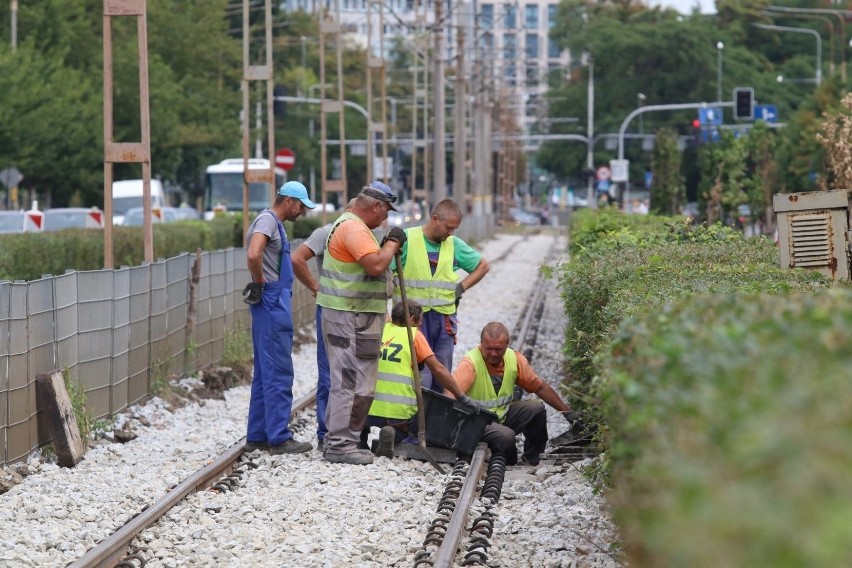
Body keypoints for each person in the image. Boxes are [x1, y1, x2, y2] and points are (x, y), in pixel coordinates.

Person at [316, 181, 406, 465]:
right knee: (346, 381)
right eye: (385, 212)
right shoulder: (352, 228)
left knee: (365, 383)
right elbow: (376, 265)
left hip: (364, 315)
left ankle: (351, 440)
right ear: (376, 205)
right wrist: (391, 244)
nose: (386, 219)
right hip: (345, 316)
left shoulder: (360, 229)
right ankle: (337, 444)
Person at [242, 181, 316, 455]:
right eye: (300, 206)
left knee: (264, 372)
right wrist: (260, 280)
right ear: (288, 201)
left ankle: (258, 435)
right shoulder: (268, 221)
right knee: (279, 373)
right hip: (272, 301)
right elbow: (254, 252)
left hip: (271, 302)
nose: (302, 212)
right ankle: (279, 437)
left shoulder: (272, 222)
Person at [452, 322, 585, 466]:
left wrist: (567, 413)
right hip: (476, 422)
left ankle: (533, 457)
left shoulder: (514, 359)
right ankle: (504, 458)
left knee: (536, 408)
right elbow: (449, 394)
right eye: (488, 348)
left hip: (501, 416)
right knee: (506, 436)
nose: (493, 353)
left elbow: (540, 388)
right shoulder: (470, 362)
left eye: (498, 349)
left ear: (507, 344)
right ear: (481, 344)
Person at [364, 300, 480, 458]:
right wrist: (461, 396)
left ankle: (360, 440)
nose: (420, 326)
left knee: (359, 412)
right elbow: (438, 369)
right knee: (419, 426)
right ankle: (395, 434)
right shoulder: (414, 336)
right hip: (398, 414)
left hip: (367, 409)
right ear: (411, 319)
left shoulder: (380, 329)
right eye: (419, 322)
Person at [395, 199, 489, 392]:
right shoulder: (407, 239)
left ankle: (435, 419)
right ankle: (415, 419)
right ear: (435, 219)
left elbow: (482, 266)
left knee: (442, 373)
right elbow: (384, 272)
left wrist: (460, 288)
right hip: (411, 321)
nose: (451, 233)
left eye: (454, 229)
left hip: (443, 320)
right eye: (448, 228)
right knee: (419, 376)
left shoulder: (454, 245)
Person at [291, 198, 355, 451]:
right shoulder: (325, 234)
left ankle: (348, 432)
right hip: (330, 310)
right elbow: (297, 259)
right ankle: (325, 433)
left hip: (357, 312)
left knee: (354, 373)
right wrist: (316, 287)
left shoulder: (364, 235)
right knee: (330, 373)